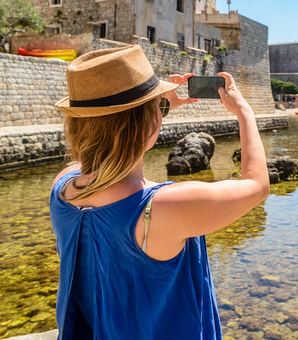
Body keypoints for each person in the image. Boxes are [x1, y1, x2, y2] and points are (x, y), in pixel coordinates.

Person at [49, 46, 268, 339]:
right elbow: (257, 185)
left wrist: (154, 110)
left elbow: (104, 147)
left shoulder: (62, 186)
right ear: (150, 125)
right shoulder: (163, 208)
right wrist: (245, 113)